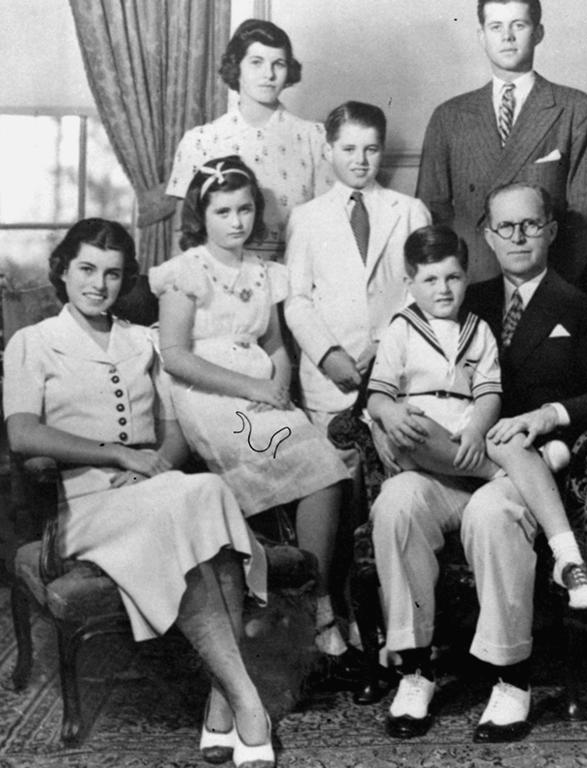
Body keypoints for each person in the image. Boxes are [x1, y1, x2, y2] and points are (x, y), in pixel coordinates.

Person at [371, 183, 587, 742]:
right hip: (446, 463)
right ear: (487, 237)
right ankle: (414, 670)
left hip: (523, 468)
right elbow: (386, 379)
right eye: (505, 227)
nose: (518, 237)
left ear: (551, 230)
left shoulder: (582, 310)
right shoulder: (461, 294)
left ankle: (510, 677)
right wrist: (385, 417)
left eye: (531, 225)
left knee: (491, 514)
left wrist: (549, 414)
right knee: (396, 503)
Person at [3, 219, 275, 767]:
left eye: (112, 274)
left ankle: (224, 698)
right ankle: (246, 700)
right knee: (192, 501)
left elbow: (174, 434)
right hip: (84, 510)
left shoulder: (144, 341)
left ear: (124, 280)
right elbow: (22, 433)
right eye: (86, 269)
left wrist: (151, 468)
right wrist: (117, 454)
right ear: (62, 270)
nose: (98, 284)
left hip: (156, 492)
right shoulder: (33, 343)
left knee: (198, 490)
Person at [150, 156, 358, 688]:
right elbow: (175, 355)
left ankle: (312, 599)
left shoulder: (266, 273)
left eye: (245, 209)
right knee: (304, 458)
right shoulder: (186, 273)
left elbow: (274, 345)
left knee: (327, 463)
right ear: (203, 214)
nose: (236, 222)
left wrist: (280, 387)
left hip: (262, 393)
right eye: (223, 211)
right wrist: (252, 389)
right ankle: (316, 612)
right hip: (210, 394)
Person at [366, 224, 587, 610]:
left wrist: (477, 428)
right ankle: (518, 470)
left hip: (468, 435)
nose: (443, 289)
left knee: (505, 435)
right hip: (423, 442)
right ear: (409, 283)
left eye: (453, 277)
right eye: (430, 280)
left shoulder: (479, 331)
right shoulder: (402, 329)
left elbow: (489, 393)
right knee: (415, 427)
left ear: (467, 276)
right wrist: (387, 412)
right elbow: (377, 393)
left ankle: (568, 559)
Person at [416, 0, 587, 288]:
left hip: (549, 284)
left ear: (539, 32)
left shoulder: (575, 109)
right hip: (471, 285)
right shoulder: (449, 116)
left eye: (519, 25)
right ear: (482, 36)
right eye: (496, 27)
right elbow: (431, 212)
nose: (507, 37)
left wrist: (547, 288)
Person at [285, 101, 431, 435]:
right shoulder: (306, 218)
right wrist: (327, 355)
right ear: (328, 150)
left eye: (371, 149)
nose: (360, 160)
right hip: (330, 382)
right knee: (340, 473)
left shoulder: (410, 211)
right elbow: (297, 300)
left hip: (396, 372)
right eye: (348, 149)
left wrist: (388, 345)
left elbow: (421, 292)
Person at [167, 19, 334, 260]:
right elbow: (183, 237)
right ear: (237, 67)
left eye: (279, 64)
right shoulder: (200, 141)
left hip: (294, 280)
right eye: (256, 62)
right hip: (217, 283)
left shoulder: (315, 139)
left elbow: (327, 229)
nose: (269, 74)